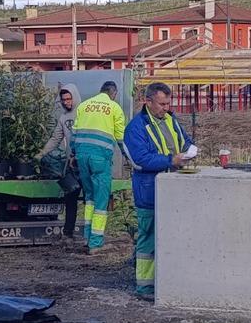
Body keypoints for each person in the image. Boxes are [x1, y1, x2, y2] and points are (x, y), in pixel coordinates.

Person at [122, 83, 194, 300]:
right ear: (149, 101)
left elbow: (185, 141)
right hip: (149, 189)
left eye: (168, 103)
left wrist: (189, 153)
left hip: (172, 186)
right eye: (162, 104)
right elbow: (140, 159)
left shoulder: (170, 120)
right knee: (149, 237)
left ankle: (167, 279)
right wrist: (170, 160)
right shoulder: (136, 127)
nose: (166, 107)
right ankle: (145, 285)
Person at [72, 80, 126, 254]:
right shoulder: (114, 108)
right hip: (100, 158)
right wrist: (130, 159)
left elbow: (74, 132)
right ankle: (96, 243)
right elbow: (121, 138)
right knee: (101, 202)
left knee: (89, 198)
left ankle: (87, 238)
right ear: (114, 93)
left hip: (81, 156)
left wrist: (73, 154)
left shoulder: (84, 105)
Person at [36, 83, 81, 239]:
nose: (66, 102)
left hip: (85, 162)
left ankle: (90, 236)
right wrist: (41, 154)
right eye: (63, 100)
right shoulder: (63, 117)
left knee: (89, 200)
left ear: (75, 97)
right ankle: (68, 232)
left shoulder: (83, 113)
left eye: (69, 99)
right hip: (71, 164)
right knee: (70, 196)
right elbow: (56, 138)